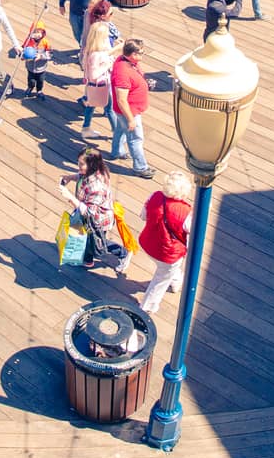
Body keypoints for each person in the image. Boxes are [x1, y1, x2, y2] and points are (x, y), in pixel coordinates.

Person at [59, 148, 130, 274]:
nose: (78, 166)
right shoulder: (92, 171)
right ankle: (87, 260)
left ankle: (123, 253)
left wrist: (70, 197)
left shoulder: (96, 186)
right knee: (86, 238)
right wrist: (70, 177)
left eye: (81, 164)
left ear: (91, 165)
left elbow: (90, 213)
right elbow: (81, 176)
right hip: (88, 217)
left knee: (98, 243)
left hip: (98, 221)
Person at [137, 171, 193, 314]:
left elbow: (143, 216)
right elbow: (192, 232)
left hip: (148, 243)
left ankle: (175, 281)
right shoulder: (186, 212)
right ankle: (146, 307)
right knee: (160, 280)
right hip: (168, 254)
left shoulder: (154, 196)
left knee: (168, 271)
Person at [110, 40, 156, 179]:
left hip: (128, 110)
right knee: (135, 138)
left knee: (120, 129)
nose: (143, 55)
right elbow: (121, 99)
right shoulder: (122, 73)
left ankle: (117, 151)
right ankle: (140, 167)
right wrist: (130, 119)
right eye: (140, 53)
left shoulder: (127, 61)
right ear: (132, 54)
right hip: (129, 111)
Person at [80, 0, 118, 135]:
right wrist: (109, 63)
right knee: (110, 109)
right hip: (102, 84)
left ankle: (86, 128)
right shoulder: (98, 55)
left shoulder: (90, 51)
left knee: (91, 104)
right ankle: (116, 132)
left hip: (92, 86)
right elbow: (96, 73)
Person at [22, 17, 52, 98]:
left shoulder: (45, 42)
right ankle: (30, 87)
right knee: (31, 80)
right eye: (35, 32)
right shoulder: (28, 41)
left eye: (40, 32)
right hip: (30, 67)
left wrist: (41, 56)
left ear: (43, 32)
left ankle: (39, 90)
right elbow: (23, 49)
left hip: (41, 68)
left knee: (40, 80)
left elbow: (50, 54)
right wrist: (23, 56)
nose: (37, 34)